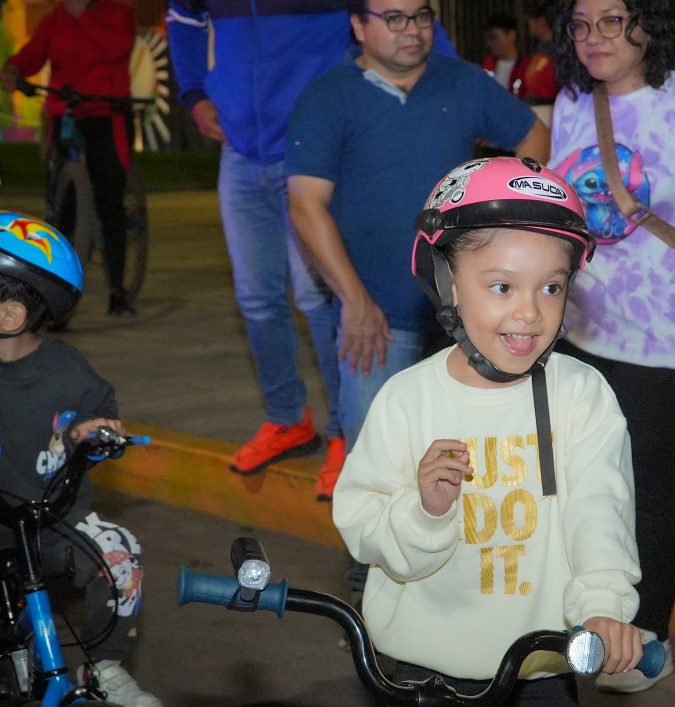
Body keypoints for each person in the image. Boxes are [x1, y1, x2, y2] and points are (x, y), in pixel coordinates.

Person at [333, 156, 642, 707]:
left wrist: (604, 608)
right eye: (502, 286)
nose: (530, 311)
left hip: (539, 659)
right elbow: (361, 520)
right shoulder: (408, 399)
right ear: (449, 284)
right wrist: (424, 512)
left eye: (551, 287)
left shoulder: (580, 395)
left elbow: (599, 511)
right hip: (425, 659)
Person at [286, 0, 548, 598]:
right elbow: (306, 206)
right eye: (395, 18)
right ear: (359, 25)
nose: (413, 30)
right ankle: (374, 576)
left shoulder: (463, 83)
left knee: (480, 446)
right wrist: (355, 301)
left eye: (423, 16)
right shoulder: (329, 96)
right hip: (378, 313)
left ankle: (466, 562)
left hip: (471, 315)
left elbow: (534, 138)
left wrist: (502, 211)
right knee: (377, 450)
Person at [164, 2, 457, 499]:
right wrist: (194, 93)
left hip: (316, 148)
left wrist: (451, 92)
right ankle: (286, 419)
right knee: (256, 298)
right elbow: (184, 17)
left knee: (319, 297)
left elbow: (402, 16)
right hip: (241, 152)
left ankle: (345, 433)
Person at [549, 0, 675, 694]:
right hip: (582, 329)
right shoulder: (574, 100)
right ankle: (592, 614)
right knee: (583, 480)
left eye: (612, 20)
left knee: (644, 480)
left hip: (672, 337)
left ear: (647, 24)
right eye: (581, 25)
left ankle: (647, 636)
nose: (594, 38)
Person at [0, 210, 162, 707]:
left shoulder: (68, 372)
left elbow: (99, 419)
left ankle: (105, 667)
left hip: (52, 518)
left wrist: (93, 433)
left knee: (119, 555)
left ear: (10, 315)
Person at [0, 0, 137, 316]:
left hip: (107, 112)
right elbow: (33, 53)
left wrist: (83, 16)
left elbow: (116, 49)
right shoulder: (55, 19)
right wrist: (14, 69)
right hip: (65, 111)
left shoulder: (117, 13)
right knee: (60, 208)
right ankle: (54, 288)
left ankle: (117, 289)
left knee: (110, 202)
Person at [482, 14, 531, 99]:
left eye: (494, 38)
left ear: (511, 35)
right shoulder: (487, 65)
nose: (490, 43)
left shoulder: (527, 66)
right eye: (488, 39)